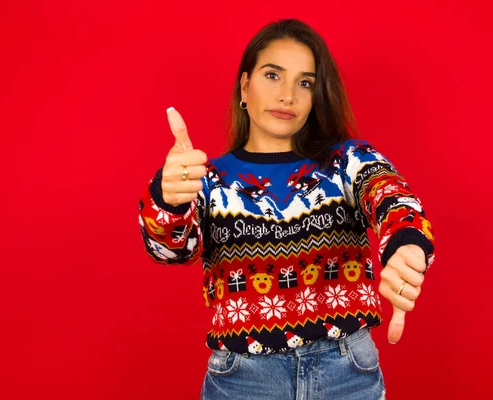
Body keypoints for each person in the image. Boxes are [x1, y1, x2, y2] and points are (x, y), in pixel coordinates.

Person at [138, 18, 436, 400]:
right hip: (244, 379)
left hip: (347, 373)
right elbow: (172, 250)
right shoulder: (207, 179)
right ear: (245, 86)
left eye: (305, 82)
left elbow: (393, 198)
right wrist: (169, 198)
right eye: (273, 76)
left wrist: (406, 247)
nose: (288, 95)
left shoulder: (348, 161)